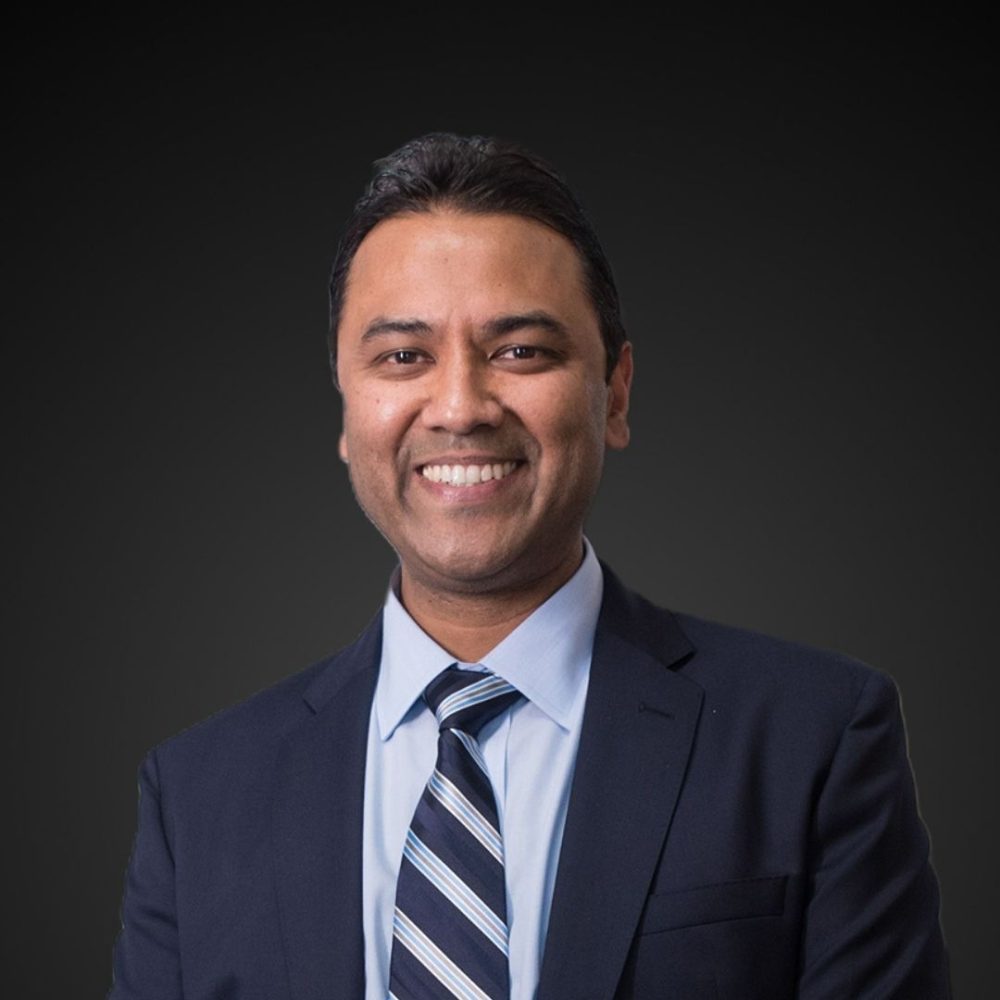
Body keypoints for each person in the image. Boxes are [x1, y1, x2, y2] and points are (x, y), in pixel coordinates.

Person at [109, 133, 950, 999]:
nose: (462, 407)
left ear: (614, 393)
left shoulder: (814, 739)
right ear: (346, 405)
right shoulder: (201, 792)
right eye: (403, 356)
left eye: (520, 351)